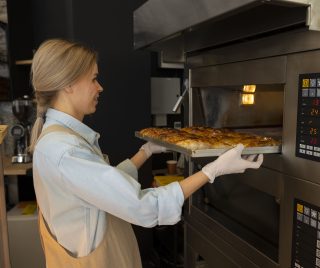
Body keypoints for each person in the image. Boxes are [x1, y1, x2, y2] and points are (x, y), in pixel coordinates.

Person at [29, 38, 264, 268]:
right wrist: (213, 170)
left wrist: (146, 151)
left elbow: (101, 190)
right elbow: (145, 206)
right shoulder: (65, 150)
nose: (100, 87)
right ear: (68, 84)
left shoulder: (60, 140)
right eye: (94, 78)